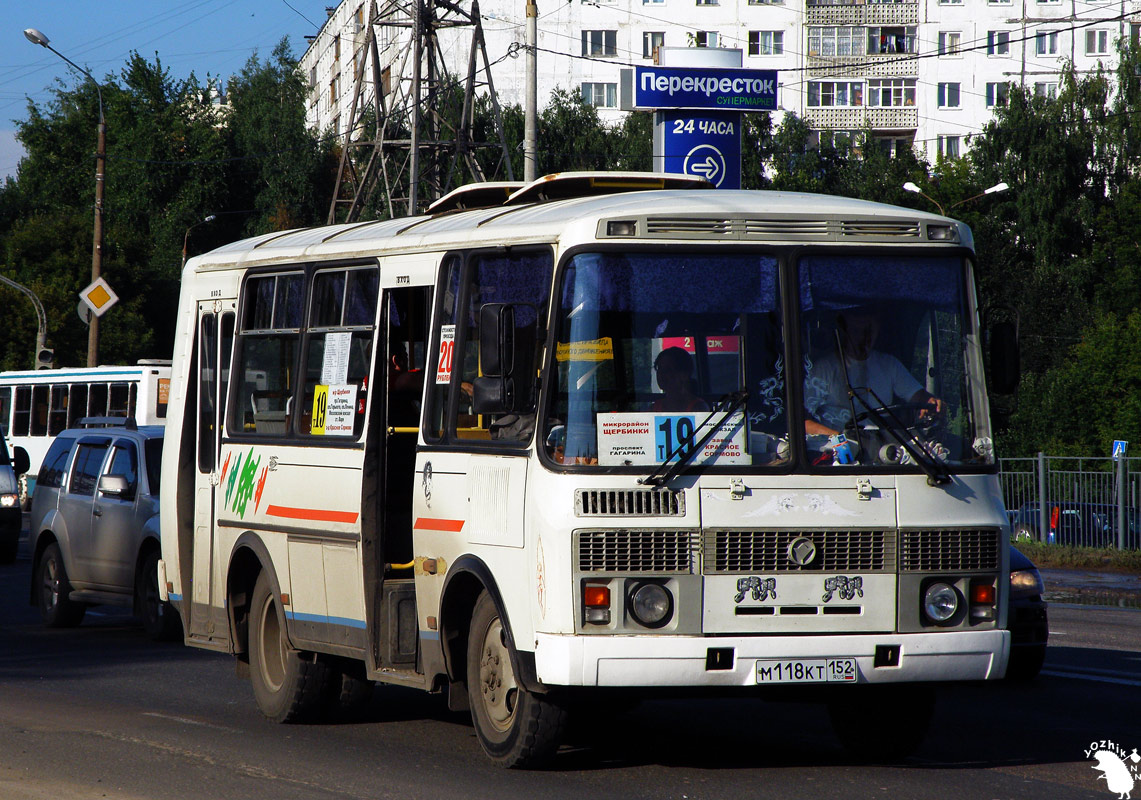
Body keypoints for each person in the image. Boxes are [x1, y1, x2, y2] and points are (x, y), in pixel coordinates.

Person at [804, 309, 942, 436]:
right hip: (835, 456)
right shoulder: (823, 369)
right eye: (859, 331)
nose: (865, 337)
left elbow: (918, 396)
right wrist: (838, 439)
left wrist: (931, 402)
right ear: (845, 330)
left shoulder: (889, 365)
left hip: (879, 451)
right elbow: (802, 421)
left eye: (870, 330)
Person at [651, 347, 710, 413]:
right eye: (659, 369)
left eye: (668, 370)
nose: (661, 374)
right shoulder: (653, 409)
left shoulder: (699, 408)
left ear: (684, 374)